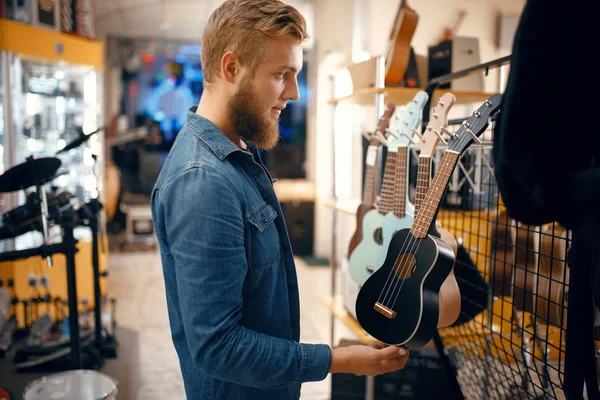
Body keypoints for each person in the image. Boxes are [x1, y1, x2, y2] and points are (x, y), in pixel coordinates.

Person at [150, 1, 410, 399]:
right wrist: (336, 361)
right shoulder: (203, 181)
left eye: (295, 75)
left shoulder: (239, 156)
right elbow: (217, 347)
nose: (292, 92)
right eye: (281, 75)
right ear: (232, 68)